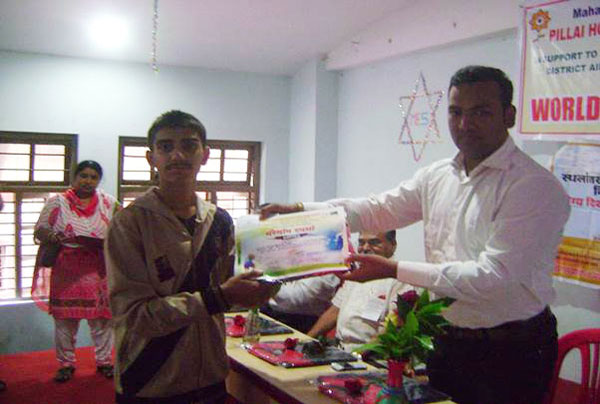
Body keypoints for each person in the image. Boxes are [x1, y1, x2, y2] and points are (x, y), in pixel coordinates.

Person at [261, 66, 570, 404]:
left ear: (508, 115)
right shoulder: (438, 176)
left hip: (511, 349)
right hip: (448, 339)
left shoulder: (532, 185)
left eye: (481, 112)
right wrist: (305, 210)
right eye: (456, 112)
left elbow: (495, 276)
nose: (465, 124)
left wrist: (393, 269)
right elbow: (378, 209)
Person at [106, 110, 277, 404]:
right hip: (150, 378)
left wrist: (268, 282)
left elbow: (229, 290)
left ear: (205, 154)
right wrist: (219, 298)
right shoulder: (129, 223)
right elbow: (135, 316)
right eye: (166, 146)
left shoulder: (220, 220)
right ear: (151, 158)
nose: (177, 155)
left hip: (209, 374)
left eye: (188, 145)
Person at [32, 160, 120, 383]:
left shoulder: (109, 203)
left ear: (98, 180)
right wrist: (55, 237)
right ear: (74, 177)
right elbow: (40, 229)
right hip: (67, 268)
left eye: (93, 177)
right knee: (65, 321)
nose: (88, 181)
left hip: (99, 269)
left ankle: (104, 362)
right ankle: (66, 364)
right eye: (83, 175)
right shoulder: (57, 203)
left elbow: (123, 228)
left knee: (102, 320)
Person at [308, 230, 414, 353]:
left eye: (374, 243)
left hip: (372, 356)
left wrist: (360, 355)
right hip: (339, 350)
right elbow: (334, 311)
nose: (365, 248)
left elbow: (392, 326)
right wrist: (306, 339)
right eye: (361, 243)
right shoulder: (357, 273)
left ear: (393, 245)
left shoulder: (400, 279)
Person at [260, 275, 340, 333]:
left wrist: (261, 285)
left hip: (300, 322)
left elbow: (297, 297)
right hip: (265, 311)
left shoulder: (329, 259)